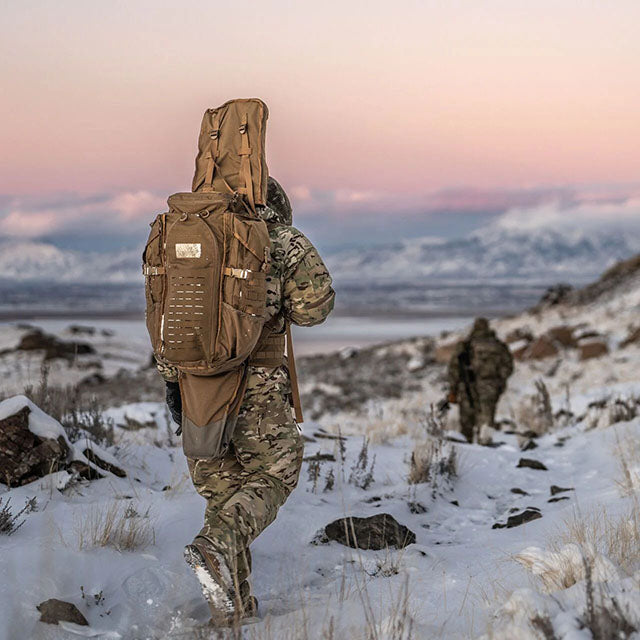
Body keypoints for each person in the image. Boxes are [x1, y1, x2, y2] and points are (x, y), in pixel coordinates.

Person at [157, 177, 335, 624]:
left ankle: (232, 610)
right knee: (276, 471)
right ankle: (213, 547)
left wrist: (172, 385)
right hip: (256, 384)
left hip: (193, 382)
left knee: (224, 490)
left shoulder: (183, 237)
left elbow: (164, 310)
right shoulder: (279, 239)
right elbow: (316, 307)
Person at [446, 317, 513, 444]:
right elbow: (508, 366)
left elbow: (454, 368)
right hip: (490, 387)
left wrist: (453, 389)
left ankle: (466, 446)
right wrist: (499, 381)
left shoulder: (466, 345)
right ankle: (485, 443)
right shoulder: (498, 345)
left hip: (467, 386)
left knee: (467, 420)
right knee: (487, 417)